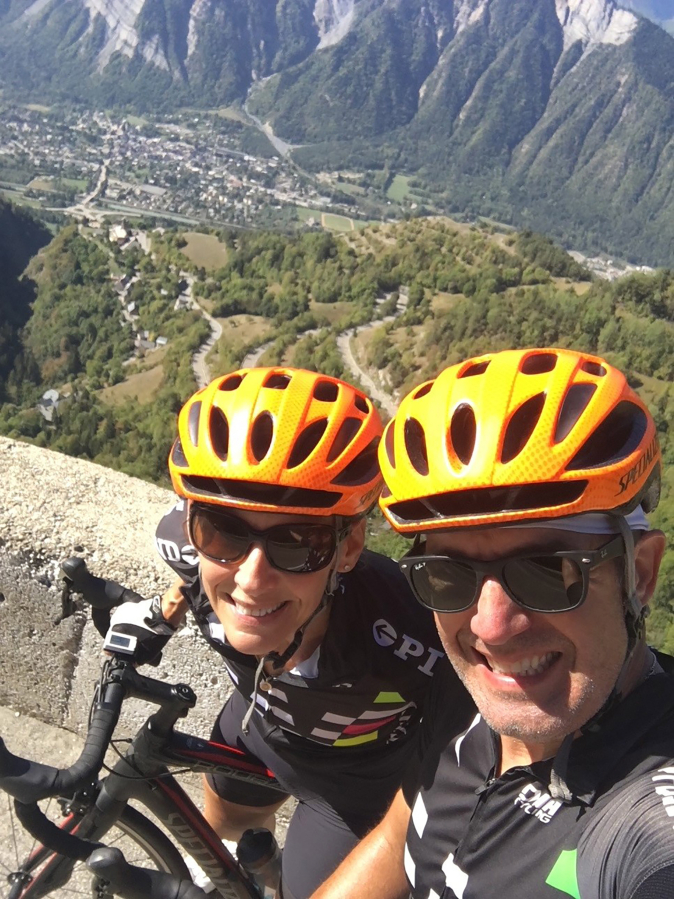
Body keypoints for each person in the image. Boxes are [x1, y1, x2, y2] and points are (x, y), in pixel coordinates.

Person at [313, 347, 673, 899]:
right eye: (446, 575)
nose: (491, 627)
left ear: (640, 574)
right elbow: (400, 833)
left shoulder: (647, 825)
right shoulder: (464, 698)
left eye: (549, 572)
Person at [111, 366, 473, 899]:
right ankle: (256, 870)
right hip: (258, 730)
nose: (250, 580)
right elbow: (185, 580)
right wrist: (160, 617)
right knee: (220, 830)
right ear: (194, 527)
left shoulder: (410, 622)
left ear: (348, 549)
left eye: (297, 544)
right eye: (222, 531)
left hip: (356, 791)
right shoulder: (189, 548)